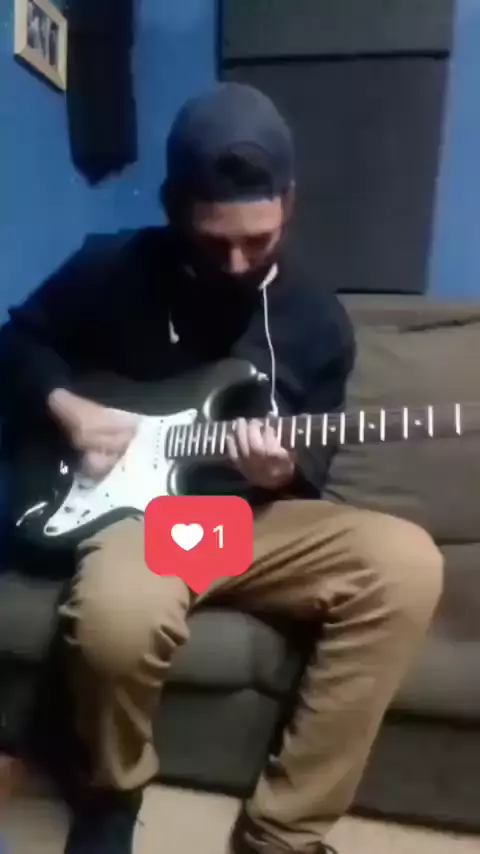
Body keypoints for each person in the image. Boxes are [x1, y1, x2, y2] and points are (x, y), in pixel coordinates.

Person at [0, 84, 443, 854]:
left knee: (406, 564)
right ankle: (113, 792)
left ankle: (283, 832)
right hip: (151, 521)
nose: (237, 263)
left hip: (249, 520)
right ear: (175, 207)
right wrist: (67, 408)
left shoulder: (317, 321)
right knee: (116, 620)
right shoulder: (113, 267)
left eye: (259, 241)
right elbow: (18, 343)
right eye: (214, 242)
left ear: (289, 205)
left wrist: (278, 472)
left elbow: (307, 475)